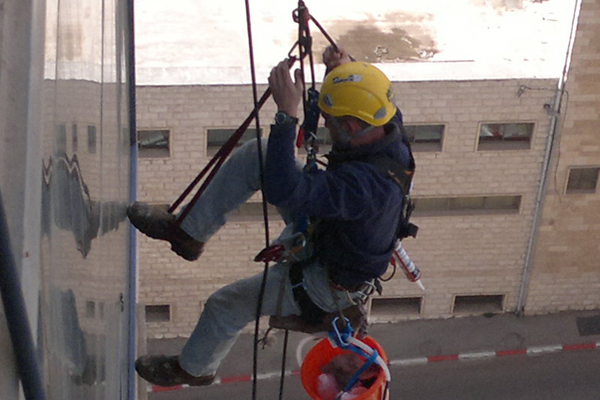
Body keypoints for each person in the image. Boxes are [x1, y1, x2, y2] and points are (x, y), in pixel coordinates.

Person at [129, 46, 415, 387]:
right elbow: (360, 106)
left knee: (226, 306)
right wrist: (344, 70)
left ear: (352, 125)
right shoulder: (389, 134)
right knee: (261, 155)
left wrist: (286, 115)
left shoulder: (364, 188)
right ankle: (188, 233)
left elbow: (285, 189)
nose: (326, 125)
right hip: (332, 233)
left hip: (325, 284)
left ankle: (194, 367)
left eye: (331, 121)